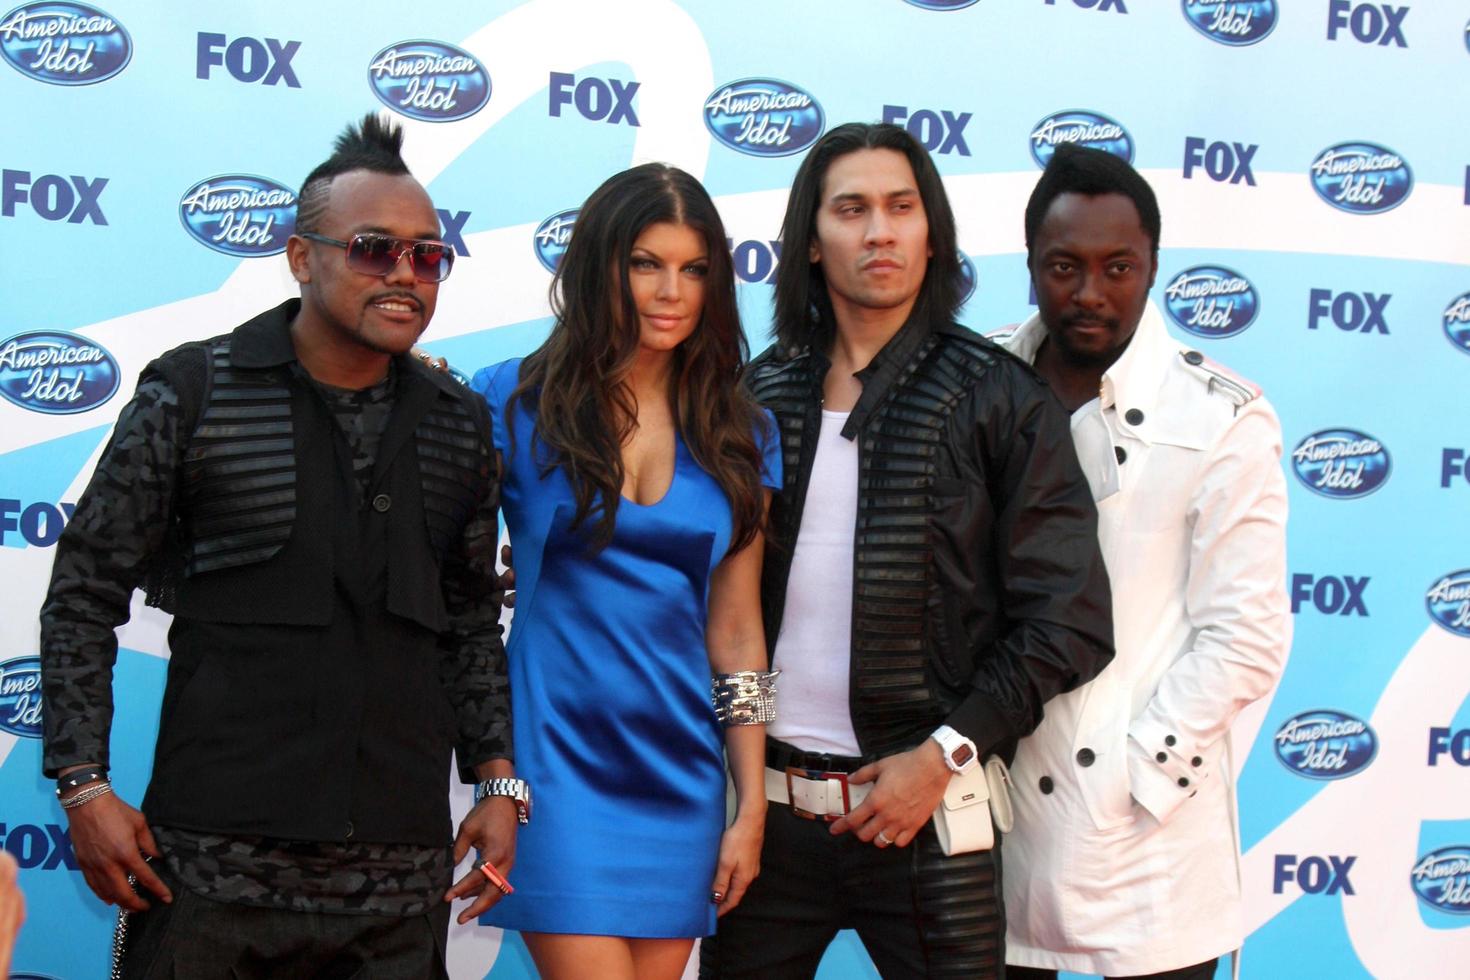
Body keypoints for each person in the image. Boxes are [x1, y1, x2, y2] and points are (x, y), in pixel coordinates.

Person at [38, 113, 516, 978]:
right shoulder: (193, 392)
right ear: (303, 257)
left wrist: (497, 780)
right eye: (375, 249)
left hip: (398, 883)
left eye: (428, 256)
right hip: (211, 874)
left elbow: (473, 621)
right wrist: (82, 784)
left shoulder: (459, 425)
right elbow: (82, 594)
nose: (405, 274)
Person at [701, 122, 1114, 979]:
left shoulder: (1000, 397)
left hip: (930, 814)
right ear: (811, 242)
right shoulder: (756, 397)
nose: (879, 231)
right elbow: (719, 608)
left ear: (933, 236)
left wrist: (944, 754)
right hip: (768, 819)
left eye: (901, 207)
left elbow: (1070, 621)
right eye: (850, 209)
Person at [467, 163, 780, 980]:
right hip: (554, 763)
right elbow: (448, 578)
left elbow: (738, 628)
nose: (671, 290)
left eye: (694, 268)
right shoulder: (510, 402)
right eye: (646, 263)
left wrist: (749, 807)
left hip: (680, 769)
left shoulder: (741, 430)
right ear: (599, 265)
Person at [997, 145, 1291, 980]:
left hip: (1149, 842)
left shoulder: (1221, 416)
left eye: (1118, 266)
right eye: (1065, 266)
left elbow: (1246, 634)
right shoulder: (978, 383)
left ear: (1154, 267)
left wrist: (1141, 772)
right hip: (994, 811)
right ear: (1029, 267)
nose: (1090, 293)